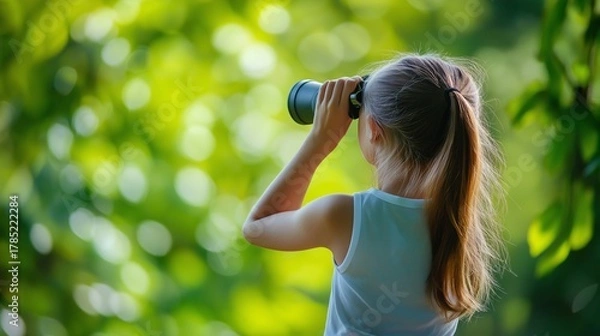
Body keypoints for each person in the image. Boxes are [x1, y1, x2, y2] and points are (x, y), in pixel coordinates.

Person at [242, 54, 505, 335]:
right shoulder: (462, 227)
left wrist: (321, 139)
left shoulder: (346, 218)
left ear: (374, 130)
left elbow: (258, 227)